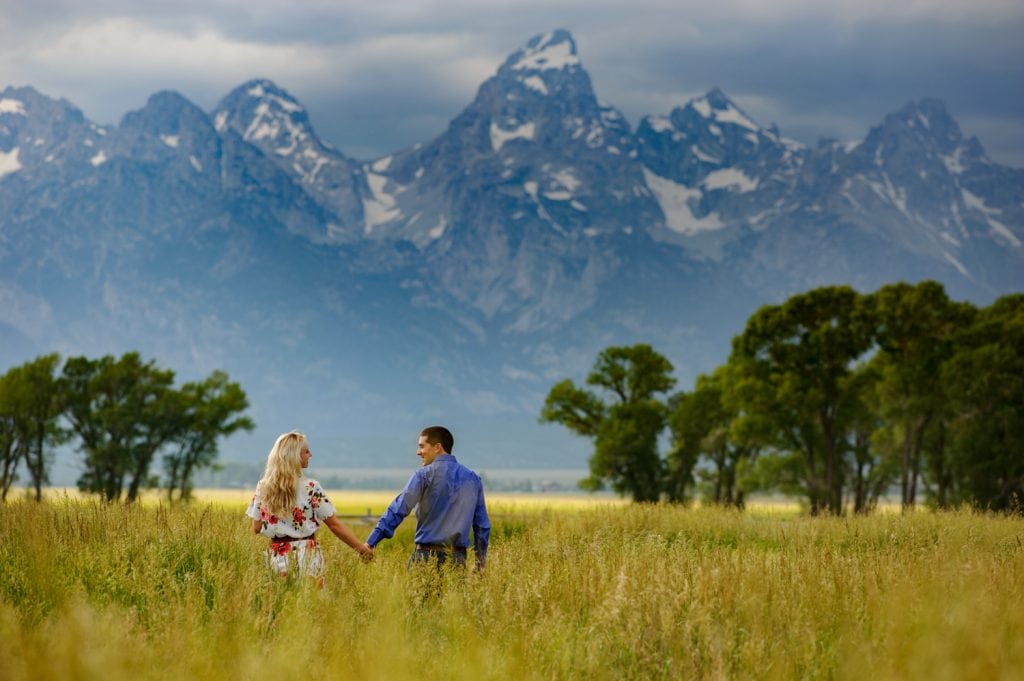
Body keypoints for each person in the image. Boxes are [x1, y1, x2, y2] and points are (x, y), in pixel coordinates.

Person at [246, 431, 372, 585]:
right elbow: (334, 525)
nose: (310, 455)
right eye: (306, 451)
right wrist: (361, 549)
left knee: (282, 604)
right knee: (311, 604)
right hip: (308, 557)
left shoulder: (263, 487)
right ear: (295, 456)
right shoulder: (311, 487)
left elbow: (256, 527)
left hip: (277, 558)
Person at [366, 426, 490, 571]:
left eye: (422, 446)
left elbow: (398, 509)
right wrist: (480, 564)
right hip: (457, 561)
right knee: (452, 595)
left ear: (437, 447)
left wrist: (371, 543)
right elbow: (482, 526)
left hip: (424, 558)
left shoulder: (423, 475)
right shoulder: (473, 479)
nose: (418, 452)